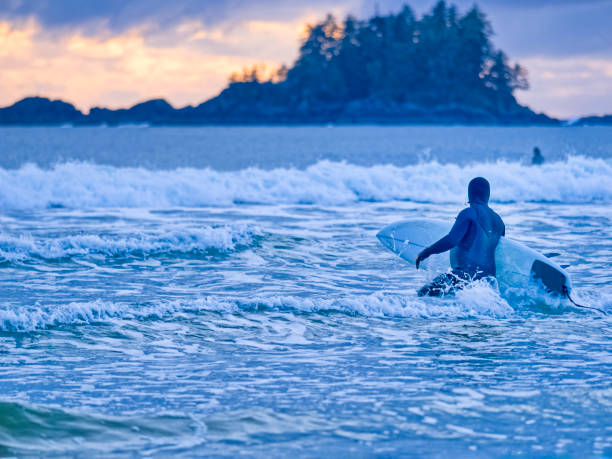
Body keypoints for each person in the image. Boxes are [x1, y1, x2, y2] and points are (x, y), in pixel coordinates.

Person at [415, 177, 505, 297]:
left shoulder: (469, 212)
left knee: (423, 293)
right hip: (487, 284)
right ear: (488, 195)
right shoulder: (500, 222)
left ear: (469, 194)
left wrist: (427, 251)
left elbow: (452, 240)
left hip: (463, 277)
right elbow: (499, 254)